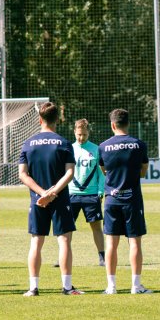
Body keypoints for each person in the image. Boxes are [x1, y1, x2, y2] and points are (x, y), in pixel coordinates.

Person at [18, 102, 80, 296]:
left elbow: (23, 174)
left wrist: (42, 193)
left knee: (36, 242)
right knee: (64, 241)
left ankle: (33, 287)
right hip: (59, 198)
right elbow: (69, 173)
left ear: (40, 119)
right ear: (57, 120)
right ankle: (67, 287)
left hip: (37, 200)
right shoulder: (63, 142)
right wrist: (52, 193)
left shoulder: (28, 143)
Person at [99, 109, 151, 294]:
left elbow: (104, 170)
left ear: (113, 124)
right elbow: (143, 171)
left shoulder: (103, 146)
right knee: (135, 242)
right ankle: (136, 286)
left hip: (112, 199)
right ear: (127, 123)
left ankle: (111, 286)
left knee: (111, 243)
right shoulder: (139, 145)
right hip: (132, 199)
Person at [68, 119, 106, 267]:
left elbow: (101, 173)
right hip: (71, 194)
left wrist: (101, 190)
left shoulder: (96, 149)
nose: (81, 138)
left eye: (84, 134)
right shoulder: (69, 149)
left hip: (91, 195)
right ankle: (63, 256)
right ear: (74, 132)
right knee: (67, 228)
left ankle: (102, 257)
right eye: (79, 134)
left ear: (88, 132)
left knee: (96, 226)